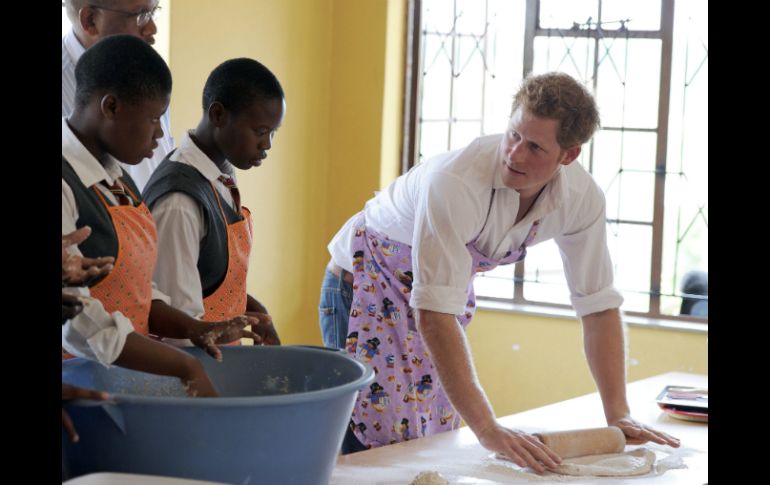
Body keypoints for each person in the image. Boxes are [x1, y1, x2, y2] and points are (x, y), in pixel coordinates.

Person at [320, 72, 681, 471]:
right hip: (364, 283)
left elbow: (598, 306)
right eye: (513, 135)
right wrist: (488, 428)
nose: (515, 154)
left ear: (569, 155)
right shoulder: (455, 182)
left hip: (435, 295)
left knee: (429, 433)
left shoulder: (582, 199)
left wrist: (618, 413)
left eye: (535, 147)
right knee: (379, 435)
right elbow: (435, 315)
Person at [62, 35, 263, 396]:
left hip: (123, 379)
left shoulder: (115, 176)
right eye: (154, 118)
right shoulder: (66, 184)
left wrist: (195, 329)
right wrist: (182, 364)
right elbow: (78, 322)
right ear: (111, 107)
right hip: (78, 387)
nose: (159, 134)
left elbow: (139, 289)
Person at [143, 58, 284, 346]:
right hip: (193, 369)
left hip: (220, 359)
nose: (267, 144)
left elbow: (209, 276)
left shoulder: (218, 173)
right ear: (218, 115)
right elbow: (179, 329)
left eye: (273, 133)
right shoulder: (180, 202)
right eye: (260, 132)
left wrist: (252, 308)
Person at [62, 0, 173, 191]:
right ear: (91, 20)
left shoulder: (145, 73)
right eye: (140, 15)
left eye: (154, 12)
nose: (152, 28)